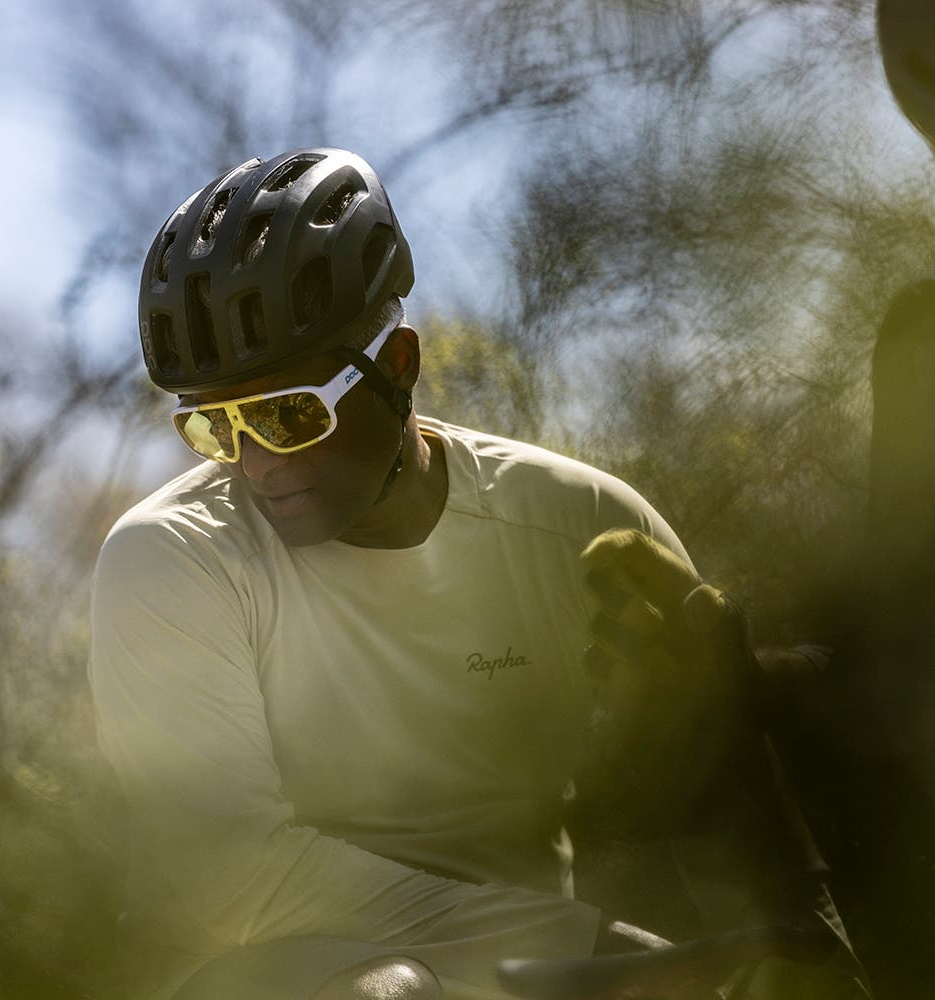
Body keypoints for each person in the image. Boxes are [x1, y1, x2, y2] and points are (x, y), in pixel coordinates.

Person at [87, 148, 864, 999]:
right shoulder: (172, 559)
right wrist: (593, 948)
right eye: (213, 427)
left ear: (397, 366)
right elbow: (227, 879)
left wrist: (794, 959)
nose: (254, 462)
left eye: (289, 416)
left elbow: (732, 796)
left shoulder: (580, 527)